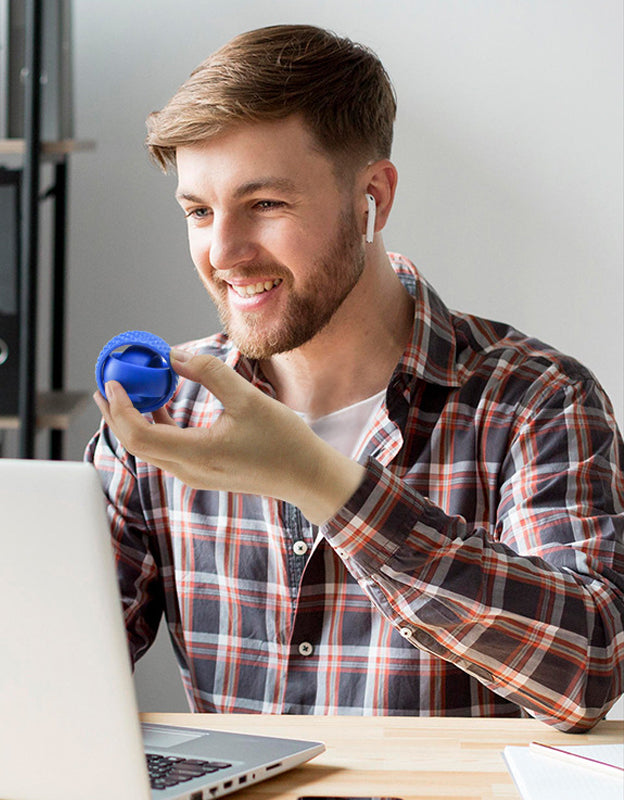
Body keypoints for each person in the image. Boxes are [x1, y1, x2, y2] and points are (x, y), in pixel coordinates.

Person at [88, 24, 624, 732]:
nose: (223, 253)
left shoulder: (536, 401)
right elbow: (42, 670)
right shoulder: (162, 418)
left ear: (373, 196)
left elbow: (585, 672)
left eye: (266, 205)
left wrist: (321, 482)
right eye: (198, 211)